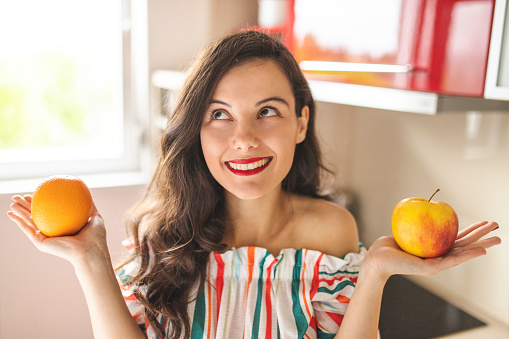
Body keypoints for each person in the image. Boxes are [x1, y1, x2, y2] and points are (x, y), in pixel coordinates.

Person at [7, 30, 501, 339]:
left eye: (267, 111)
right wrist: (92, 261)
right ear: (195, 129)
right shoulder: (163, 232)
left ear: (301, 124)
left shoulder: (332, 229)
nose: (243, 139)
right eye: (219, 115)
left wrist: (374, 272)